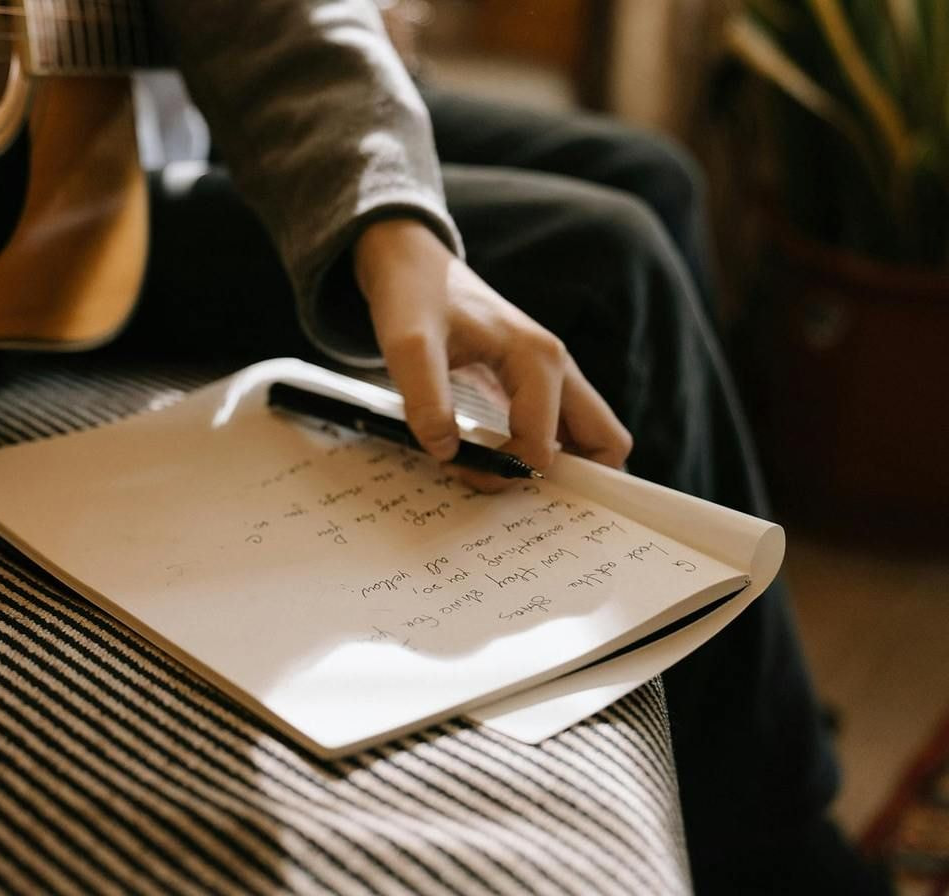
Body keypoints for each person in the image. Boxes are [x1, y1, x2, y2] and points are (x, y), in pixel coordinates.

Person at [113, 1, 890, 891]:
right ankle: (778, 851)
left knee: (657, 178)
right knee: (612, 258)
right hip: (84, 198)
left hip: (175, 102)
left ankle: (747, 705)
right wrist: (395, 231)